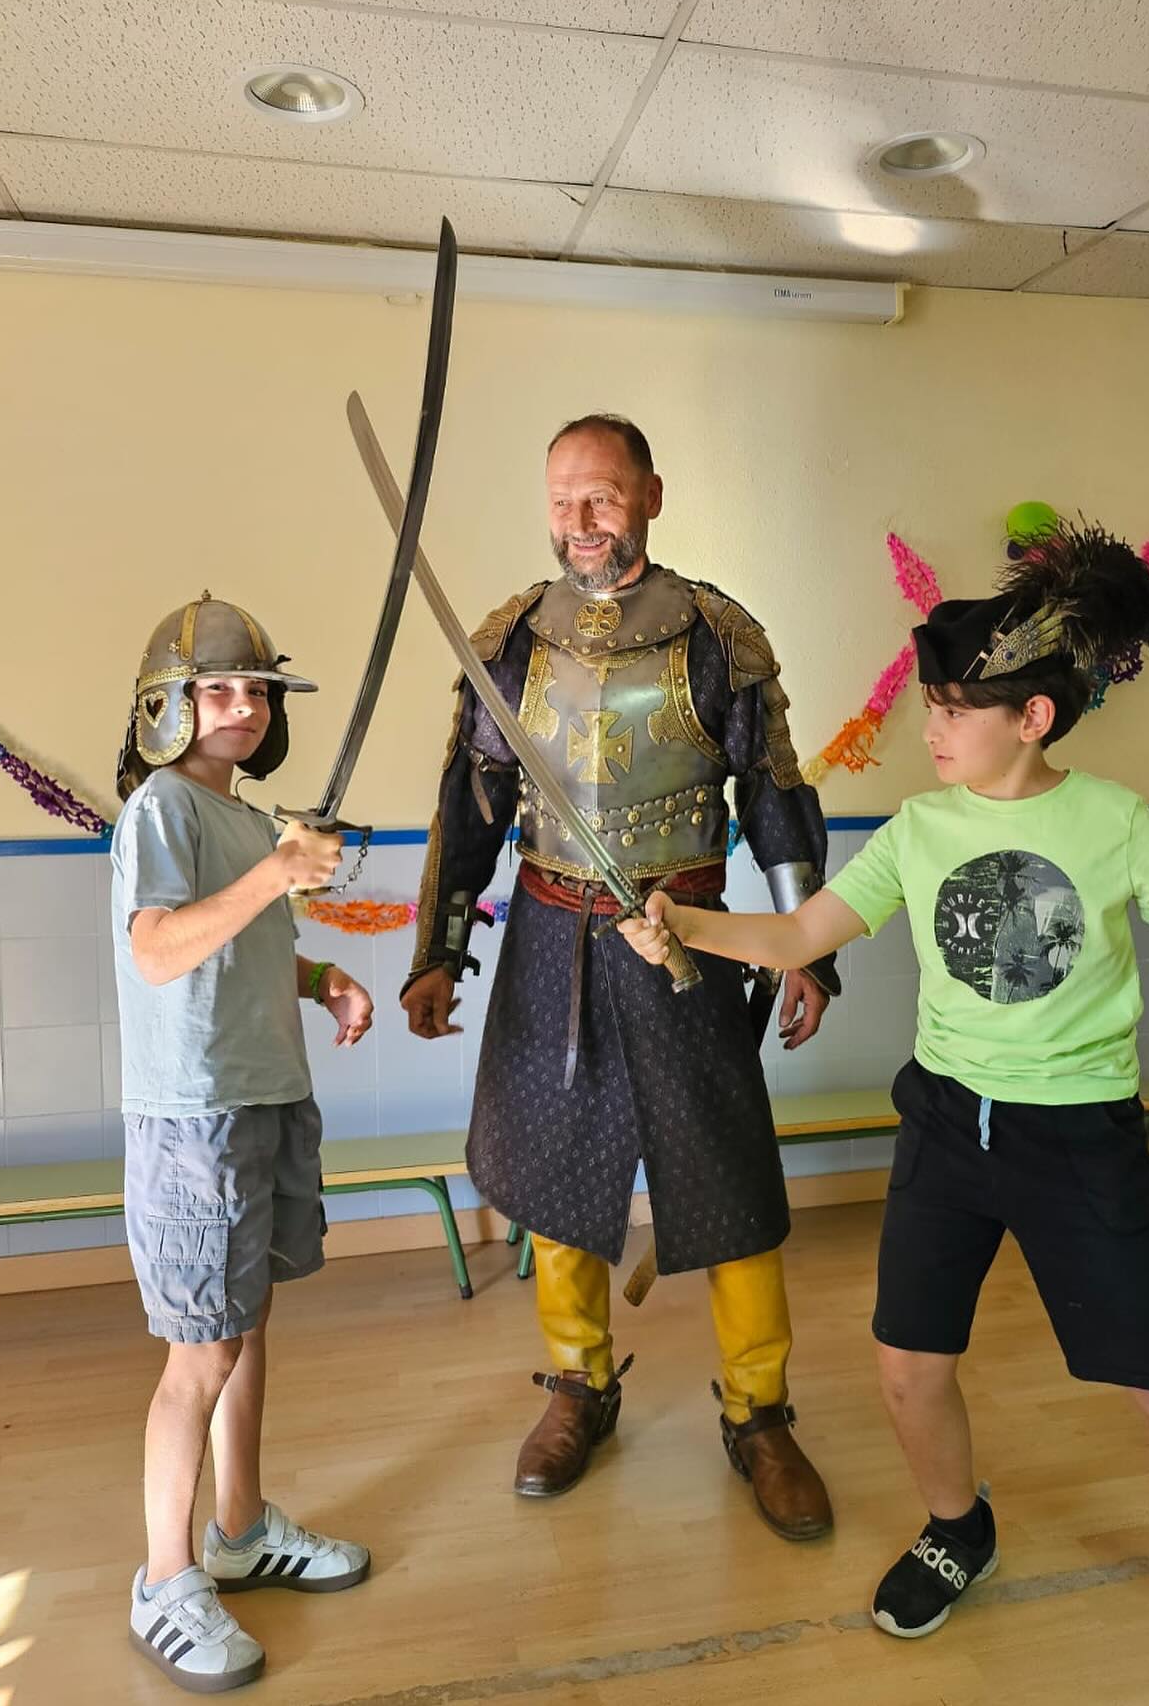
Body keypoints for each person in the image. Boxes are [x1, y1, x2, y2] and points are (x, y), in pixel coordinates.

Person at [618, 526, 1149, 1706]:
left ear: (1033, 717)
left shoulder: (1113, 819)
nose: (932, 729)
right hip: (948, 1127)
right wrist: (684, 924)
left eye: (954, 710)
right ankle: (959, 1525)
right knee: (908, 1368)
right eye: (931, 707)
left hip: (1082, 1138)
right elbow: (797, 935)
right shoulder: (919, 828)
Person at [402, 414, 838, 1538]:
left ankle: (760, 1411)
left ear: (650, 494)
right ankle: (577, 1387)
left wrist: (807, 945)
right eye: (562, 500)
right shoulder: (510, 640)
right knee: (559, 1179)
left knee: (728, 1180)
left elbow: (775, 796)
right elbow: (470, 806)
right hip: (551, 939)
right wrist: (438, 953)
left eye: (600, 496)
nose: (580, 521)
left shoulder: (718, 636)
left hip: (689, 936)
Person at [112, 593, 374, 1692]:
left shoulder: (248, 819)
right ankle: (164, 1579)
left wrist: (322, 976)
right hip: (196, 1116)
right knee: (201, 1351)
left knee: (247, 1321)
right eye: (216, 688)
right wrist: (278, 870)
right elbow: (158, 950)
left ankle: (240, 1529)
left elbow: (243, 948)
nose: (243, 706)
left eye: (257, 690)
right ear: (166, 705)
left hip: (266, 1095)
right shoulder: (161, 808)